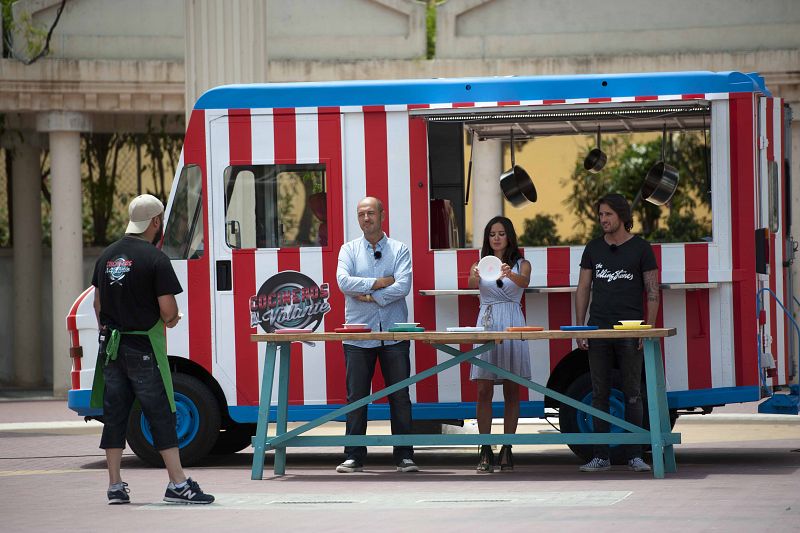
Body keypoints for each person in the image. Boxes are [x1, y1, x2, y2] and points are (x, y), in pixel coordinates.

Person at [90, 194, 214, 504]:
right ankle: (178, 483)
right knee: (160, 411)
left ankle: (115, 485)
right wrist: (172, 319)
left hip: (112, 347)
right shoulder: (155, 259)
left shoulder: (106, 256)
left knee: (115, 413)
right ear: (156, 222)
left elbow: (97, 304)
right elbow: (168, 310)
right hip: (143, 347)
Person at [575, 193, 659, 473]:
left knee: (633, 392)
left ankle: (636, 455)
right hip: (598, 328)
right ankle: (601, 456)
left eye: (608, 214)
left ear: (622, 216)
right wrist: (581, 327)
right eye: (600, 215)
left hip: (631, 329)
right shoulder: (593, 248)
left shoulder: (641, 248)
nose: (603, 219)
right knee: (599, 393)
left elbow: (653, 291)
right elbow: (583, 288)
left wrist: (647, 328)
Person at [335, 196, 417, 473]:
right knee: (356, 397)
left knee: (400, 396)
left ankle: (404, 455)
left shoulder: (399, 249)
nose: (366, 218)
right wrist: (381, 282)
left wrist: (370, 296)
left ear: (382, 215)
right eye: (361, 214)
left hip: (394, 333)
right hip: (359, 333)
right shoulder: (348, 250)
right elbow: (343, 282)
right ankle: (353, 455)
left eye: (370, 213)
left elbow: (403, 286)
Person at [467, 216, 532, 473]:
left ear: (509, 236)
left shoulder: (522, 263)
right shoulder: (480, 263)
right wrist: (474, 275)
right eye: (492, 234)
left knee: (511, 389)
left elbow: (525, 282)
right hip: (487, 319)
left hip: (512, 320)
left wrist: (510, 273)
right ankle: (485, 447)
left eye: (501, 233)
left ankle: (507, 447)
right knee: (484, 388)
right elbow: (471, 284)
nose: (496, 238)